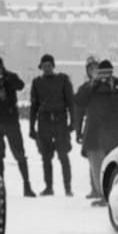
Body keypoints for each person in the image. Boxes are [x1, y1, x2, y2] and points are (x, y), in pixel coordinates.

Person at [74, 59, 118, 207]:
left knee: (115, 167)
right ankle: (103, 194)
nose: (105, 76)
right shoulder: (90, 88)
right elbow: (79, 101)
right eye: (102, 73)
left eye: (108, 73)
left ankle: (116, 194)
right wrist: (93, 85)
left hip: (115, 134)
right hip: (95, 134)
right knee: (97, 167)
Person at [0, 56, 36, 197]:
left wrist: (7, 78)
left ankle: (26, 185)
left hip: (10, 120)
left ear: (2, 66)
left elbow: (20, 86)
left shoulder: (10, 77)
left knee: (19, 153)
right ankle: (0, 188)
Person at [29, 54, 75, 197]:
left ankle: (68, 187)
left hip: (60, 122)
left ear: (53, 66)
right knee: (46, 157)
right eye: (44, 66)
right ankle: (48, 187)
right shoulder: (37, 82)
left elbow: (71, 103)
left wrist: (73, 122)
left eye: (49, 65)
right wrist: (31, 127)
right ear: (41, 67)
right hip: (44, 124)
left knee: (63, 156)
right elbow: (33, 107)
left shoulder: (63, 80)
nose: (47, 68)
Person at [75, 56, 102, 200]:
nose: (94, 71)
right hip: (91, 128)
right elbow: (79, 111)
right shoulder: (85, 88)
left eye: (96, 68)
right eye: (91, 69)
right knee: (93, 162)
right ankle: (95, 189)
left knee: (101, 161)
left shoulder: (104, 86)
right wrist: (78, 131)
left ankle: (101, 190)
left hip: (105, 129)